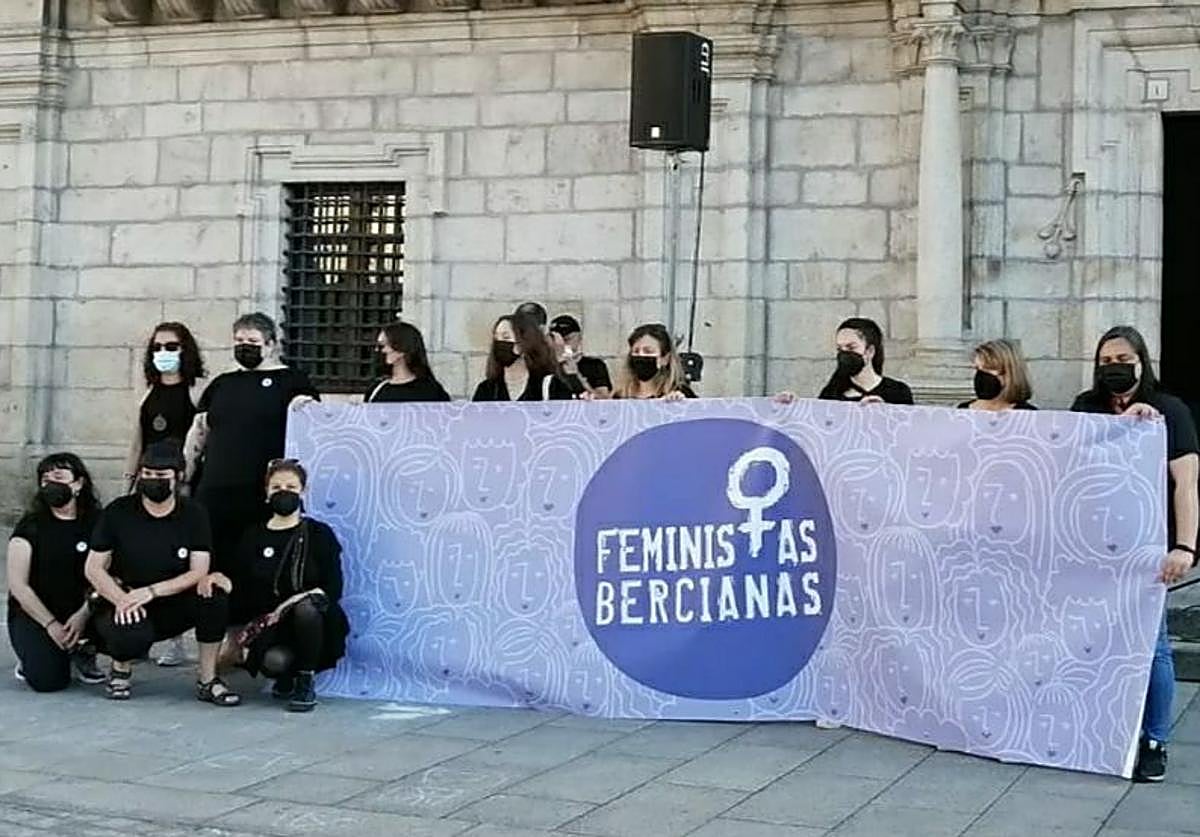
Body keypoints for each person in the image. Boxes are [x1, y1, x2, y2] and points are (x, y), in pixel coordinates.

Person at [1071, 325, 1198, 783]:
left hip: (1149, 548)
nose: (1113, 367)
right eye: (1105, 361)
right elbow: (1068, 464)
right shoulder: (1087, 407)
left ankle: (1154, 739)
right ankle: (1102, 727)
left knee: (1153, 646)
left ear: (1142, 361)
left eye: (1122, 359)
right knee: (1092, 641)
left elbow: (1186, 483)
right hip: (1093, 546)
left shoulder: (1170, 411)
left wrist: (1185, 545)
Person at [184, 312, 318, 620]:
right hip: (215, 492)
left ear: (270, 345)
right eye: (240, 341)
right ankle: (218, 639)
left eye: (253, 341)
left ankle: (255, 636)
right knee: (214, 567)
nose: (245, 346)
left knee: (255, 566)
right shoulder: (221, 385)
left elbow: (314, 426)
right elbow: (199, 432)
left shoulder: (292, 382)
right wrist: (184, 475)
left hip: (261, 494)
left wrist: (306, 406)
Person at [85, 442, 240, 706]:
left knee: (213, 597)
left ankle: (208, 679)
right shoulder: (119, 511)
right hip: (125, 598)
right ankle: (120, 669)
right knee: (129, 632)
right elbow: (93, 567)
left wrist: (153, 592)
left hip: (170, 598)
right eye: (146, 474)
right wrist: (121, 598)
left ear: (178, 477)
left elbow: (198, 569)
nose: (152, 480)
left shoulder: (194, 514)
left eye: (160, 476)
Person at [210, 459, 349, 712]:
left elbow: (332, 588)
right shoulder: (253, 535)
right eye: (276, 488)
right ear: (266, 493)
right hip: (272, 625)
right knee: (274, 663)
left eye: (291, 487)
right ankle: (286, 675)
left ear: (302, 492)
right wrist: (221, 580)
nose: (283, 492)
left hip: (313, 620)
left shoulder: (319, 534)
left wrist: (293, 602)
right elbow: (240, 582)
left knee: (307, 608)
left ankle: (306, 680)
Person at [125, 321, 206, 668]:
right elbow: (137, 440)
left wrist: (184, 479)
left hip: (181, 486)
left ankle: (176, 641)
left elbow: (200, 439)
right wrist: (129, 479)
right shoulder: (149, 392)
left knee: (175, 558)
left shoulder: (196, 391)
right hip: (146, 483)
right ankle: (139, 631)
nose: (163, 354)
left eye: (171, 347)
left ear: (184, 350)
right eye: (157, 347)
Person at [6, 453, 105, 692]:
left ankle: (85, 650)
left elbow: (111, 573)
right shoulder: (30, 526)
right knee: (48, 681)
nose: (51, 485)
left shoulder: (98, 523)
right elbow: (19, 586)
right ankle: (34, 656)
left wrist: (84, 613)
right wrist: (50, 624)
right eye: (46, 480)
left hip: (85, 609)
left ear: (78, 483)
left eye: (59, 478)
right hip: (37, 613)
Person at [472, 313, 573, 402]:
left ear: (524, 343)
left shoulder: (551, 386)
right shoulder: (487, 390)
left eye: (506, 337)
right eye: (496, 338)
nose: (499, 343)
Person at [818, 317, 913, 404]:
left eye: (851, 347)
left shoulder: (898, 391)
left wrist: (884, 411)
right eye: (840, 349)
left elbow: (907, 421)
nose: (844, 354)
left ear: (870, 351)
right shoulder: (830, 394)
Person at [364, 321, 451, 403]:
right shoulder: (376, 389)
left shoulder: (431, 391)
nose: (377, 350)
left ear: (401, 349)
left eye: (382, 345)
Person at [613, 323, 696, 400]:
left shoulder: (680, 393)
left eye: (648, 351)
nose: (641, 355)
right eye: (636, 351)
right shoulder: (620, 396)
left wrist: (679, 403)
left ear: (665, 359)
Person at [958, 339, 1037, 411]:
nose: (981, 375)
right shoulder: (964, 411)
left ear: (1010, 372)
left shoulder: (1028, 415)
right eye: (977, 368)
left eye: (989, 368)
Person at [550, 314, 613, 399]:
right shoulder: (546, 367)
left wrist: (577, 375)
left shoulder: (594, 365)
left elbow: (603, 399)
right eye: (559, 340)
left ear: (579, 337)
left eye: (568, 339)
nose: (564, 344)